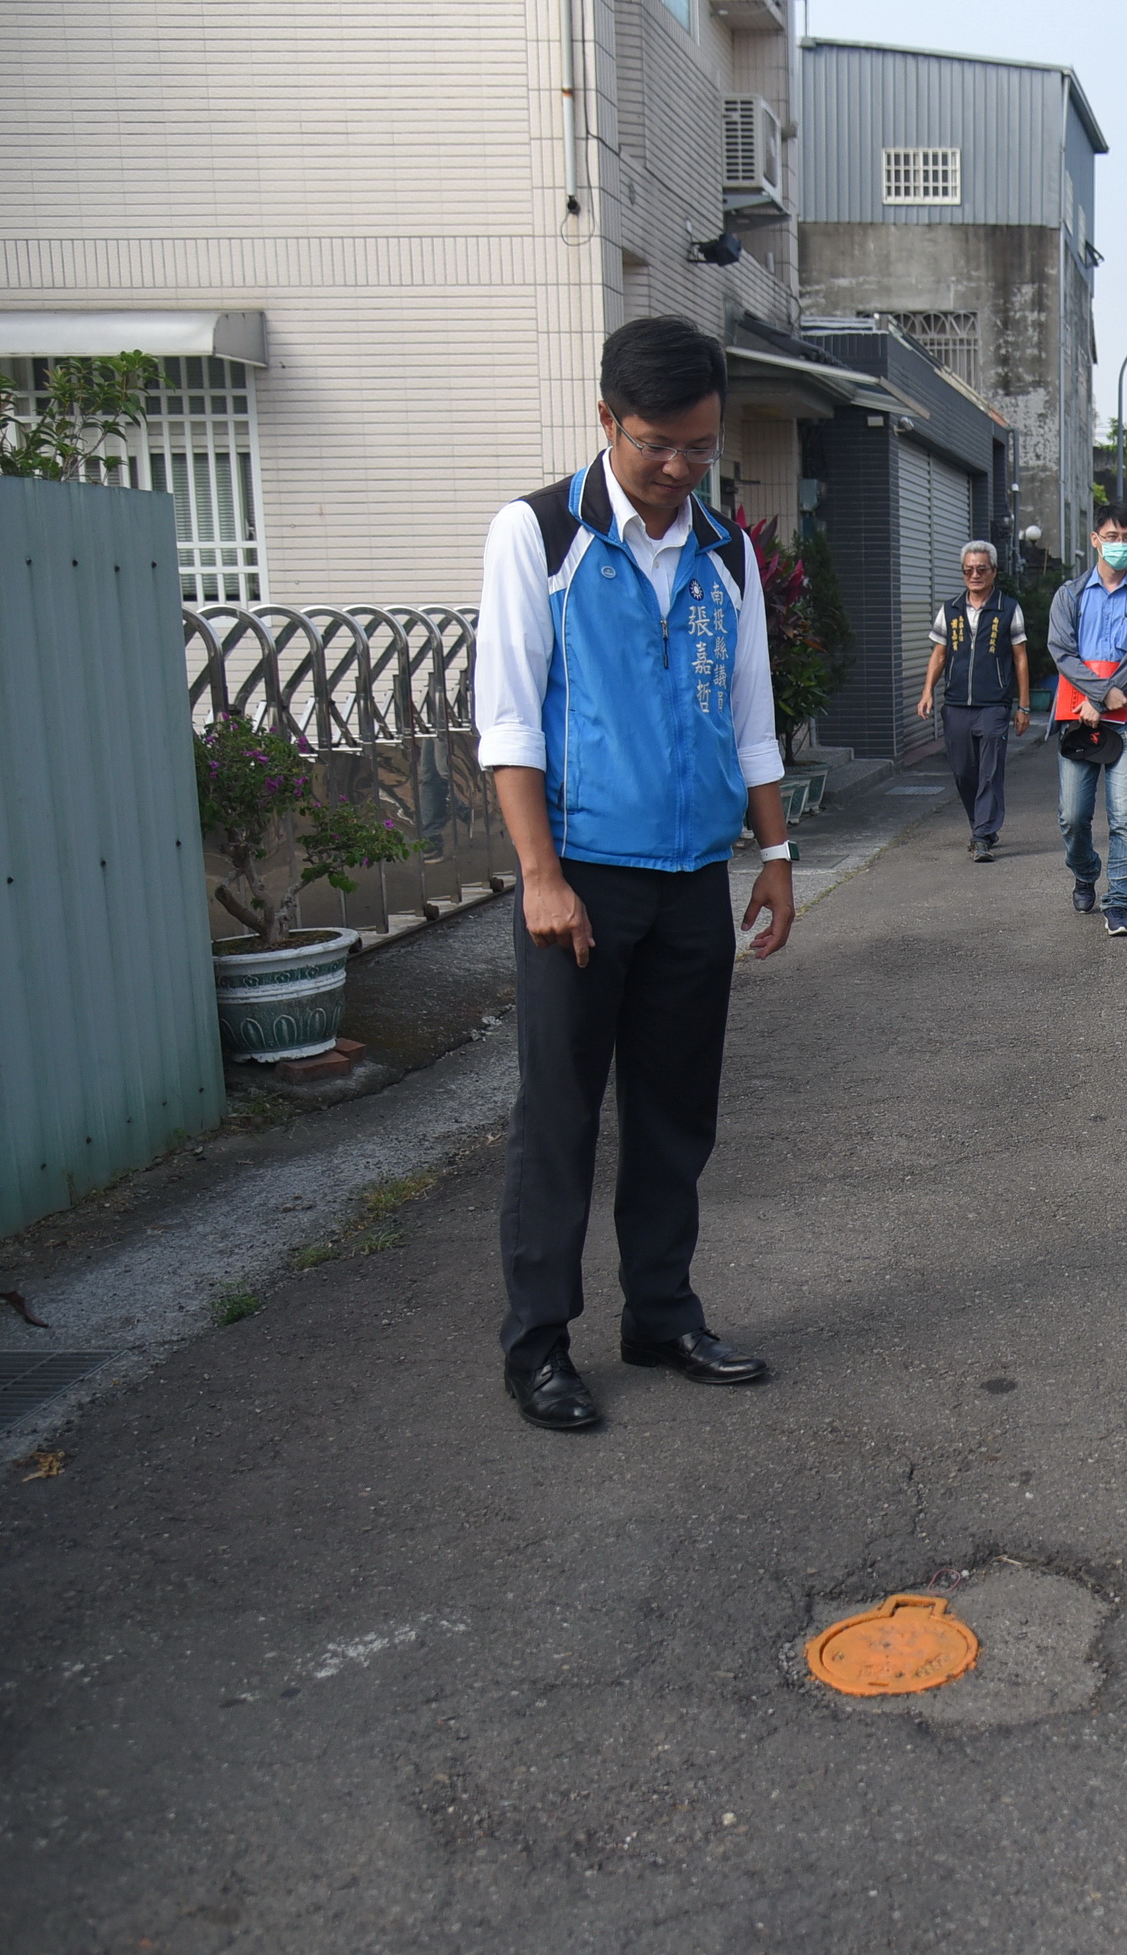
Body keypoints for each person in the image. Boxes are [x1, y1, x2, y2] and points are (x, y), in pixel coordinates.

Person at [475, 315, 794, 1432]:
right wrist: (539, 874)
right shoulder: (538, 533)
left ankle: (660, 1311)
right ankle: (537, 1343)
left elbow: (751, 715)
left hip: (690, 876)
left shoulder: (723, 549)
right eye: (657, 442)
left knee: (673, 1115)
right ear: (605, 419)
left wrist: (778, 854)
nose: (678, 467)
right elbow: (508, 722)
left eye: (700, 447)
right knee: (559, 1113)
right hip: (579, 881)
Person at [1048, 501, 1127, 936]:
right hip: (1076, 717)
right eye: (1112, 537)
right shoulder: (1071, 595)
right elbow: (1062, 652)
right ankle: (1085, 869)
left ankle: (1118, 903)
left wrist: (1106, 700)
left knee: (1125, 815)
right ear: (1096, 539)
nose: (1121, 545)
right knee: (1073, 816)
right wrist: (1099, 696)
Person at [917, 540, 1031, 862]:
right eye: (969, 570)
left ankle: (981, 835)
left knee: (990, 770)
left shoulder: (1008, 608)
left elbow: (1021, 658)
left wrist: (1023, 706)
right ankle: (983, 824)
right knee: (964, 772)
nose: (975, 575)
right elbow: (939, 654)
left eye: (982, 569)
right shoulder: (949, 609)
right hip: (955, 704)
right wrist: (928, 691)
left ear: (994, 571)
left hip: (994, 703)